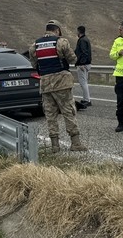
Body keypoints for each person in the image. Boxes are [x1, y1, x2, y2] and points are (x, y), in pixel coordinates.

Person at [29, 20, 86, 152]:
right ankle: (75, 143)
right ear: (57, 30)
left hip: (45, 84)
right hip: (62, 83)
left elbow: (34, 65)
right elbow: (73, 59)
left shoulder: (35, 45)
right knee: (68, 111)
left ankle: (55, 145)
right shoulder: (61, 42)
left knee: (50, 115)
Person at [73, 25, 92, 109]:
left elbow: (84, 52)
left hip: (83, 64)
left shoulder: (82, 40)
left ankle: (87, 100)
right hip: (87, 64)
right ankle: (86, 99)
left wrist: (82, 63)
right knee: (85, 82)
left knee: (83, 82)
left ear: (79, 31)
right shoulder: (85, 39)